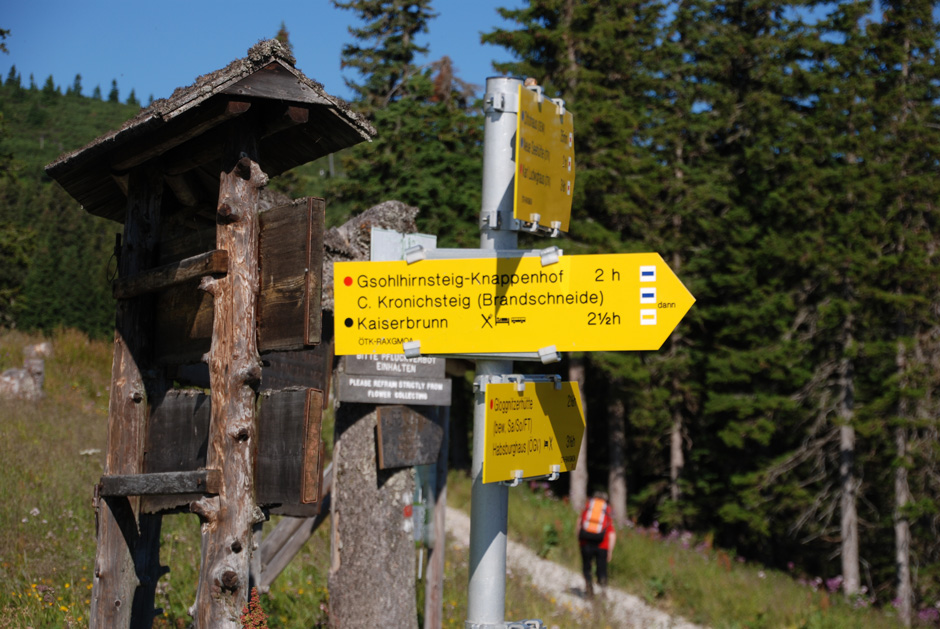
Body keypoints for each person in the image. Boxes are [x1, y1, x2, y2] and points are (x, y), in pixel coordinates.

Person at [577, 491, 616, 598]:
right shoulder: (606, 511)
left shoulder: (588, 507)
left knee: (586, 566)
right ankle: (603, 592)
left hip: (585, 542)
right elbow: (612, 534)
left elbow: (579, 524)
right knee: (602, 568)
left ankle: (589, 590)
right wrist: (610, 551)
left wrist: (579, 541)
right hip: (602, 545)